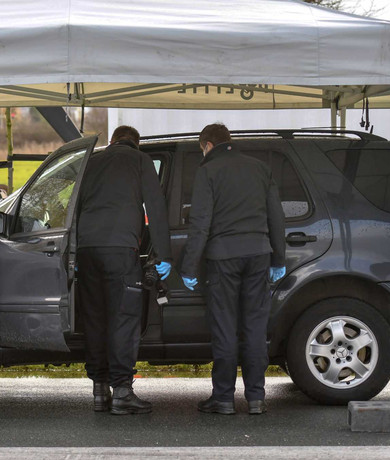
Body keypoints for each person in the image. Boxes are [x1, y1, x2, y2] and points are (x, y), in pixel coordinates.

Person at [180, 123, 286, 415]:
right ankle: (256, 398)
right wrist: (278, 259)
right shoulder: (259, 168)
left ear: (208, 145)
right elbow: (276, 217)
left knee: (225, 327)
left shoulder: (208, 171)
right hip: (258, 255)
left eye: (202, 149)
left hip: (223, 258)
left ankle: (224, 399)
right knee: (254, 327)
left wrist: (189, 266)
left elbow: (200, 223)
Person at [77, 125, 172, 415]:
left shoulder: (91, 161)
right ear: (136, 143)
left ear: (113, 141)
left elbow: (74, 203)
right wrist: (163, 254)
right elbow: (155, 208)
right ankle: (121, 392)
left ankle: (99, 391)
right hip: (120, 251)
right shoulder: (141, 161)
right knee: (123, 319)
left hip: (86, 249)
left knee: (94, 319)